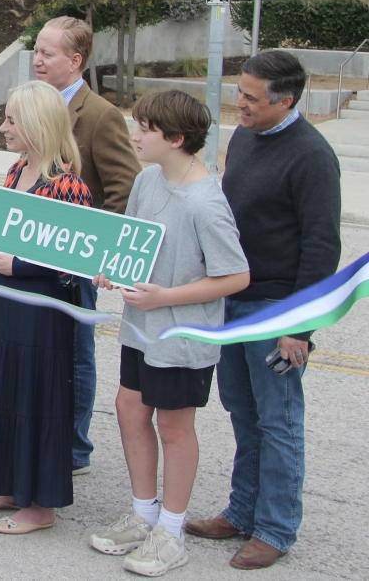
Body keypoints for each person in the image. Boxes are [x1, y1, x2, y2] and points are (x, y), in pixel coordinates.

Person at [185, 51, 342, 569]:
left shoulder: (313, 157)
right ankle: (242, 511)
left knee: (278, 421)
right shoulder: (246, 136)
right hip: (232, 299)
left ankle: (274, 528)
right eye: (240, 92)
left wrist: (301, 327)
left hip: (277, 309)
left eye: (251, 98)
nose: (240, 104)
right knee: (242, 411)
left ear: (286, 101)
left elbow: (322, 247)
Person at [88, 91, 250, 577]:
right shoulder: (146, 180)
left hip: (183, 337)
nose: (134, 135)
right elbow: (133, 244)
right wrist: (110, 270)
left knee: (175, 428)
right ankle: (143, 515)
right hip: (141, 330)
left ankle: (172, 531)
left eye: (145, 129)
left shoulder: (206, 203)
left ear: (176, 139)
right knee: (129, 409)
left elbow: (235, 276)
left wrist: (164, 298)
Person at [0, 80, 93, 534]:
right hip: (5, 298)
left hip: (41, 311)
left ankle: (40, 505)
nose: (2, 127)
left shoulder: (67, 184)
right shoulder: (17, 169)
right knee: (3, 386)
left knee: (35, 397)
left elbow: (72, 262)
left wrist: (17, 263)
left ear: (37, 125)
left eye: (11, 119)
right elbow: (6, 233)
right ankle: (7, 484)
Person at [33, 16, 141, 475]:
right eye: (36, 51)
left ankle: (75, 448)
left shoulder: (99, 115)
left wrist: (95, 248)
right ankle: (41, 433)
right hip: (31, 253)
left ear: (75, 61)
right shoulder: (36, 104)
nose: (37, 60)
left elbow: (126, 187)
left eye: (47, 54)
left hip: (75, 264)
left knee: (75, 354)